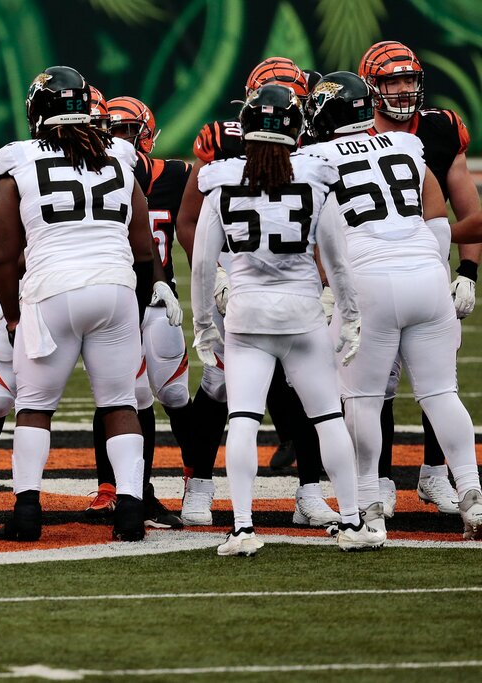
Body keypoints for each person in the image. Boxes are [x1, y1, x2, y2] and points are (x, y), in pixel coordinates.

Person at [192, 83, 383, 555]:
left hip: (247, 316)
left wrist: (202, 325)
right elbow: (337, 263)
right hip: (301, 315)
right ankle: (355, 521)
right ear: (297, 128)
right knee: (327, 419)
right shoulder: (317, 180)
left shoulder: (220, 183)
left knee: (241, 419)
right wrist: (352, 316)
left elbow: (201, 265)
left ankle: (242, 529)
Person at [302, 72, 482, 540]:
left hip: (367, 281)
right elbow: (436, 211)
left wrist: (325, 284)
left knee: (360, 399)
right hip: (425, 275)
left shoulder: (311, 157)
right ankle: (473, 495)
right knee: (441, 393)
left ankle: (367, 511)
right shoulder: (404, 144)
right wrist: (437, 266)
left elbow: (310, 232)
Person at [0, 65, 153, 543]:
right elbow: (143, 248)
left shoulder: (17, 158)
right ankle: (129, 509)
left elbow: (2, 256)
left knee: (35, 405)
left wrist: (15, 315)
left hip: (51, 290)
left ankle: (26, 511)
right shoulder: (121, 154)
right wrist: (133, 306)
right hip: (116, 286)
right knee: (119, 402)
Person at [176, 57, 341, 530]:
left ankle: (309, 490)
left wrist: (326, 282)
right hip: (240, 275)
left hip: (295, 283)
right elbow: (192, 222)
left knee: (301, 386)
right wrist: (218, 277)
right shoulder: (222, 140)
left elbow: (325, 231)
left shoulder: (314, 145)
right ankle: (199, 485)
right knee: (218, 384)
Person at [357, 41, 480, 518]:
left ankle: (433, 474)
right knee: (380, 385)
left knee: (435, 379)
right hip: (379, 272)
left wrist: (466, 271)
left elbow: (471, 214)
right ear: (371, 88)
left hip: (420, 270)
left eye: (411, 79)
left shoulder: (439, 129)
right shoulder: (351, 132)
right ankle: (383, 480)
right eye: (394, 80)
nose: (405, 89)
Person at [89, 95, 188, 529]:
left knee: (176, 395)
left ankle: (196, 479)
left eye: (128, 130)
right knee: (123, 395)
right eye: (113, 130)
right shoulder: (89, 175)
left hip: (157, 298)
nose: (120, 140)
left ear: (146, 135)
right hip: (115, 298)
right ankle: (117, 490)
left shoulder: (177, 175)